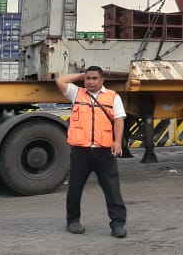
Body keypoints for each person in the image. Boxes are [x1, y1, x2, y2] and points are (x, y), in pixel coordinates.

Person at [56, 66, 128, 238]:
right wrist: (82, 74)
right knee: (75, 188)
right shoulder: (76, 93)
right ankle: (73, 221)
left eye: (95, 78)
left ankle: (118, 225)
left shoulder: (112, 96)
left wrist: (117, 142)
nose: (90, 82)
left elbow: (119, 119)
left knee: (112, 189)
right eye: (88, 78)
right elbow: (60, 80)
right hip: (81, 151)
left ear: (102, 80)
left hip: (104, 152)